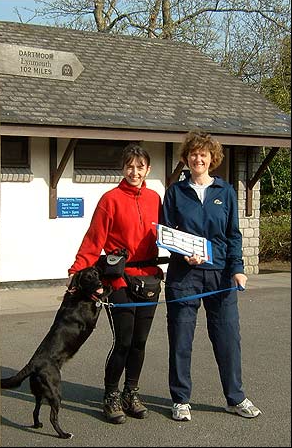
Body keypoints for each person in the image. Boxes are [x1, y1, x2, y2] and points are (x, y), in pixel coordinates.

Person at [162, 130, 262, 422]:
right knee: (181, 339)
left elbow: (233, 235)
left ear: (212, 158)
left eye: (203, 154)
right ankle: (180, 400)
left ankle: (236, 397)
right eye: (193, 153)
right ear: (187, 158)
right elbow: (168, 234)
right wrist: (183, 254)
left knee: (228, 338)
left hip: (220, 278)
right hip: (184, 277)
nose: (198, 158)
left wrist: (238, 269)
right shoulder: (175, 192)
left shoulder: (225, 192)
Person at [67, 143, 163, 424]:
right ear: (122, 168)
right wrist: (77, 272)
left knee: (140, 341)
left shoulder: (155, 199)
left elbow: (167, 234)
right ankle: (111, 395)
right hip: (119, 279)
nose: (135, 172)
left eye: (140, 167)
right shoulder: (110, 199)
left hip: (148, 278)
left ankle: (131, 393)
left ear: (148, 169)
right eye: (129, 166)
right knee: (123, 340)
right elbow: (94, 239)